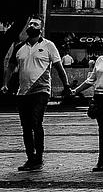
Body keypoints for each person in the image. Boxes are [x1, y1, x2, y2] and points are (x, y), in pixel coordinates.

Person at [2, 15, 70, 171]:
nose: (31, 26)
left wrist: (66, 86)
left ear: (41, 29)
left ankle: (38, 158)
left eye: (35, 24)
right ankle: (30, 158)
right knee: (26, 126)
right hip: (22, 92)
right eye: (30, 24)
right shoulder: (19, 47)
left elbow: (59, 67)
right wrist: (5, 84)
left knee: (35, 122)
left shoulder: (48, 45)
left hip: (41, 90)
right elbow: (11, 67)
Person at [73, 35, 103, 171]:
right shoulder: (100, 60)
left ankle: (102, 161)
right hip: (98, 97)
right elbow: (91, 79)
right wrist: (76, 90)